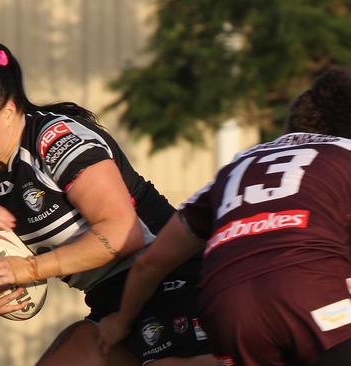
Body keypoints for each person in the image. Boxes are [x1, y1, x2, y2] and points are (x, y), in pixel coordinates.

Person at [0, 43, 215, 366]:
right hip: (108, 300)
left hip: (168, 275)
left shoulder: (55, 139)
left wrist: (31, 269)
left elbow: (122, 234)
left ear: (9, 110)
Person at [96, 67, 351, 366]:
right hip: (312, 294)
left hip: (230, 312)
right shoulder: (344, 155)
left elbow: (151, 263)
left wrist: (121, 321)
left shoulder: (237, 167)